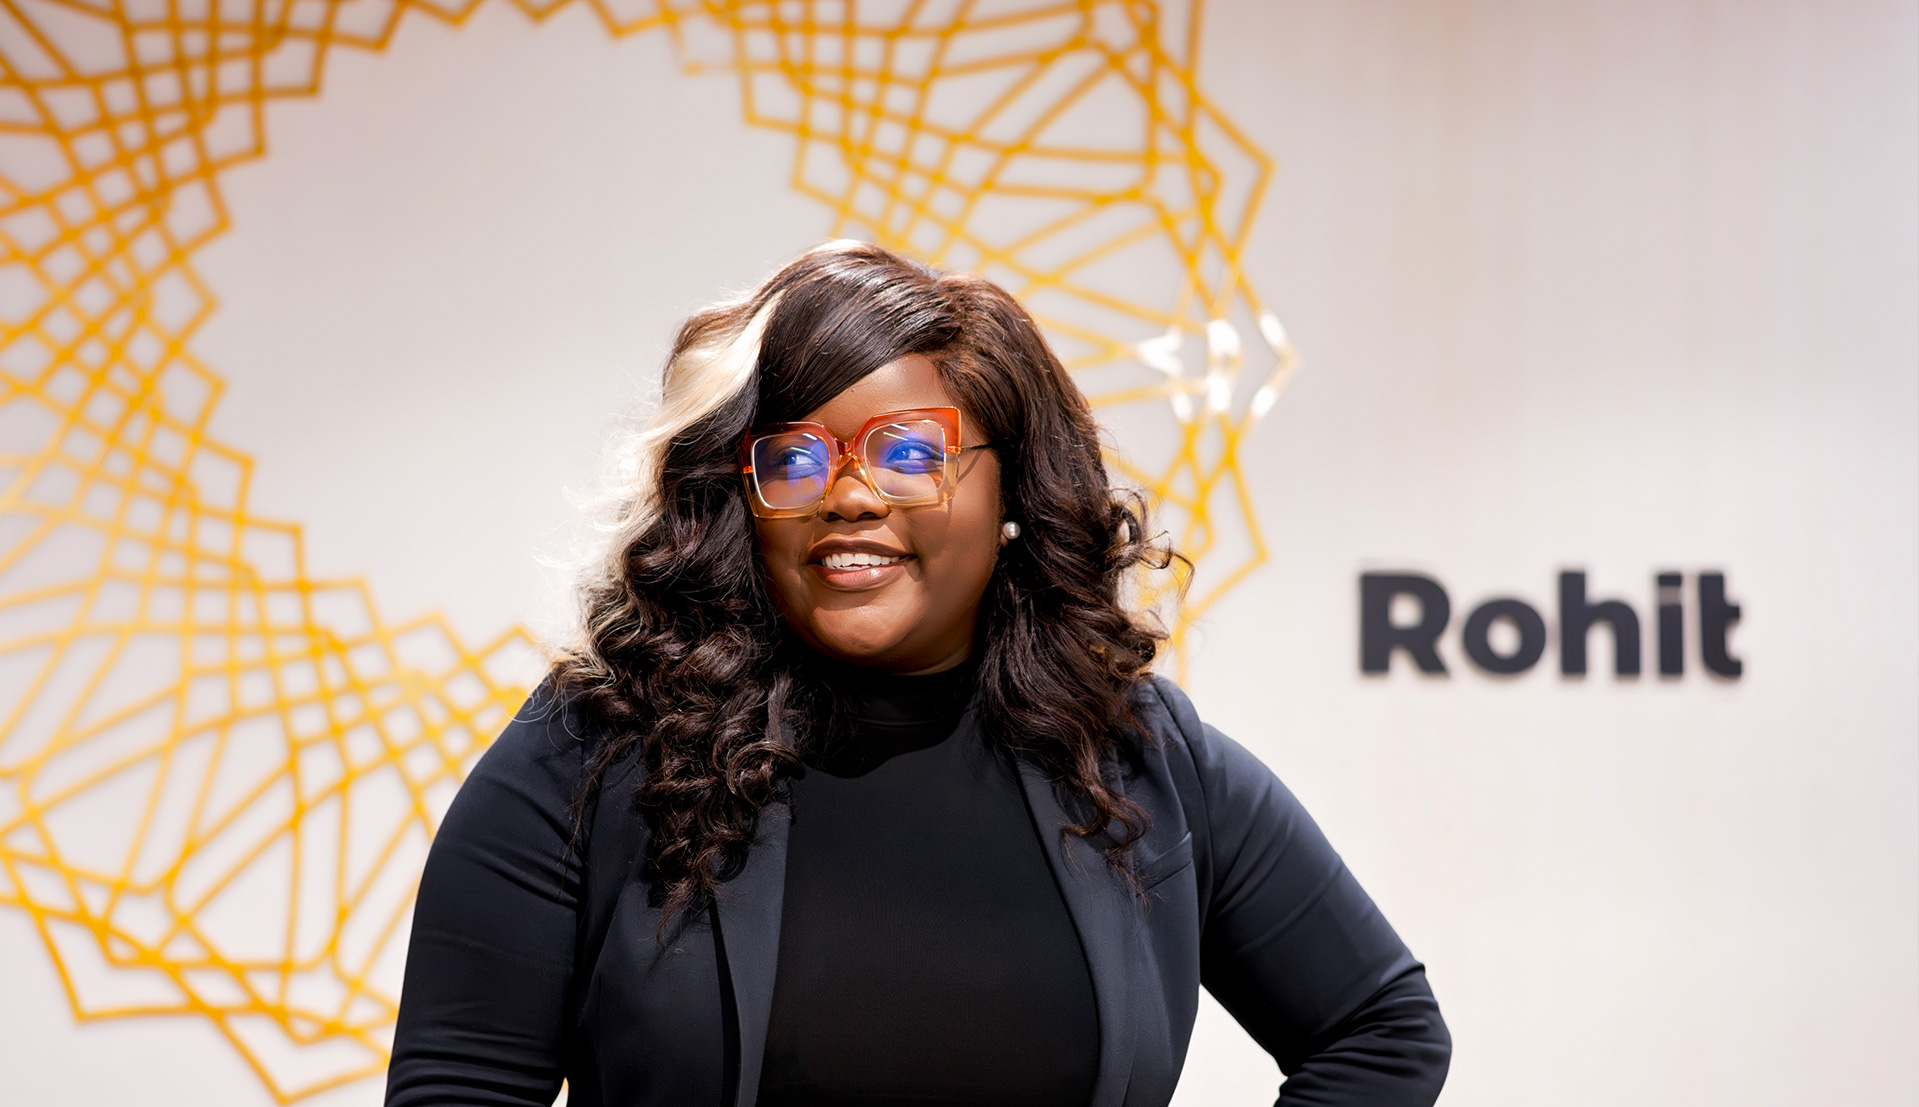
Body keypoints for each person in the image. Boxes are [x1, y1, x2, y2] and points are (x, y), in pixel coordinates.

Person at [385, 241, 1451, 1107]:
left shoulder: (1131, 757)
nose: (847, 497)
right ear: (741, 507)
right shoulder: (597, 749)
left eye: (908, 451)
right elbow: (459, 1088)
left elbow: (1380, 1033)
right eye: (794, 459)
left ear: (1010, 497)